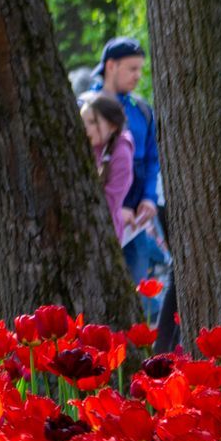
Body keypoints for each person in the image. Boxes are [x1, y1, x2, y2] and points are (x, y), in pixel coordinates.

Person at [88, 37, 164, 297]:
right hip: (103, 219)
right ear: (111, 65)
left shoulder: (141, 108)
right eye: (132, 69)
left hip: (137, 222)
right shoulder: (87, 106)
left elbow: (153, 158)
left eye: (140, 69)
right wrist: (113, 209)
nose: (138, 76)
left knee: (137, 293)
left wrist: (149, 198)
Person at [82, 93, 136, 242]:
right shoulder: (88, 144)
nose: (84, 127)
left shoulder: (121, 154)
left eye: (92, 122)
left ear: (112, 126)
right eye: (82, 121)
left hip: (104, 234)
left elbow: (110, 202)